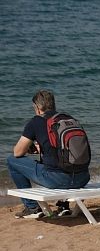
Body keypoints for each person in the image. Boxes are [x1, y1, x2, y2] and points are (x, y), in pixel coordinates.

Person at [6, 89, 90, 218]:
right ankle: (63, 206)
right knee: (58, 163)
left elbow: (17, 152)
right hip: (82, 178)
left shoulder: (36, 121)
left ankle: (32, 207)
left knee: (12, 160)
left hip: (57, 181)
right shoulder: (69, 119)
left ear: (38, 107)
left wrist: (29, 149)